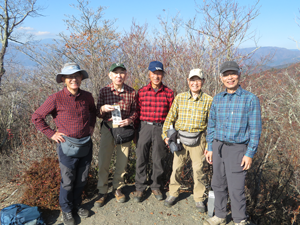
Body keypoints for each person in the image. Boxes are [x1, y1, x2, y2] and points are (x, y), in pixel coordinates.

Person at [32, 62, 96, 225]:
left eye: (77, 76)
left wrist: (91, 127)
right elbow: (37, 117)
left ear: (81, 78)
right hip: (67, 146)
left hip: (86, 144)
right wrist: (51, 134)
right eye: (70, 77)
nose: (74, 79)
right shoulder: (55, 98)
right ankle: (66, 211)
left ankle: (76, 205)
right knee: (68, 180)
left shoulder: (87, 96)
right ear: (64, 80)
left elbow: (93, 112)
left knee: (81, 179)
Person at [204, 61, 262, 225]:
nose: (230, 78)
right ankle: (220, 215)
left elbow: (255, 130)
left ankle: (239, 219)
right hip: (218, 146)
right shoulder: (217, 99)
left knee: (236, 188)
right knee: (218, 183)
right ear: (221, 77)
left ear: (239, 75)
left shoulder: (250, 99)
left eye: (233, 74)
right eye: (226, 75)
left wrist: (249, 153)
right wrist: (209, 147)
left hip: (238, 149)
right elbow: (212, 125)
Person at [162, 68, 213, 212]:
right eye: (192, 80)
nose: (195, 83)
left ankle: (199, 198)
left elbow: (212, 125)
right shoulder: (180, 98)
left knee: (199, 170)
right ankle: (173, 193)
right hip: (180, 139)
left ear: (202, 82)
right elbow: (170, 117)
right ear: (188, 81)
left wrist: (210, 145)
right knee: (176, 168)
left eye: (198, 80)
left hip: (199, 140)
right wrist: (165, 136)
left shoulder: (209, 100)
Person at [94, 63, 138, 207]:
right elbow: (97, 112)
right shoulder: (104, 91)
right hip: (108, 128)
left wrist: (129, 120)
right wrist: (102, 108)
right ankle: (102, 190)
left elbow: (136, 111)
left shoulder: (132, 92)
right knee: (104, 161)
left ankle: (118, 189)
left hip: (124, 129)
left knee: (122, 161)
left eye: (122, 72)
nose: (119, 75)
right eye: (116, 73)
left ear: (126, 75)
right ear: (110, 75)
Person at [133, 61, 174, 202]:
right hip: (144, 127)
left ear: (162, 75)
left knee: (159, 158)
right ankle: (139, 187)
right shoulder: (142, 92)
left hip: (160, 128)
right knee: (141, 157)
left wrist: (169, 134)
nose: (156, 76)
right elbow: (137, 112)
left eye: (159, 73)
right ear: (149, 74)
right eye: (154, 73)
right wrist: (135, 132)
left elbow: (171, 115)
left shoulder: (169, 93)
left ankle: (156, 185)